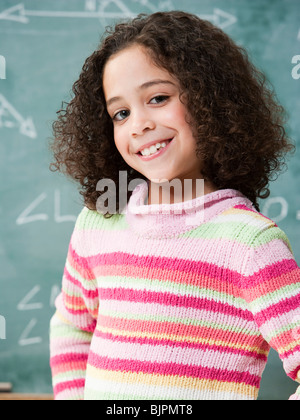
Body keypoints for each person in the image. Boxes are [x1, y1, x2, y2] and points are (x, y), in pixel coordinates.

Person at [49, 11, 300, 400]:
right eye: (121, 113)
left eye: (159, 98)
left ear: (210, 100)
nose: (139, 125)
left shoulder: (250, 243)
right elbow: (72, 324)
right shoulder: (98, 224)